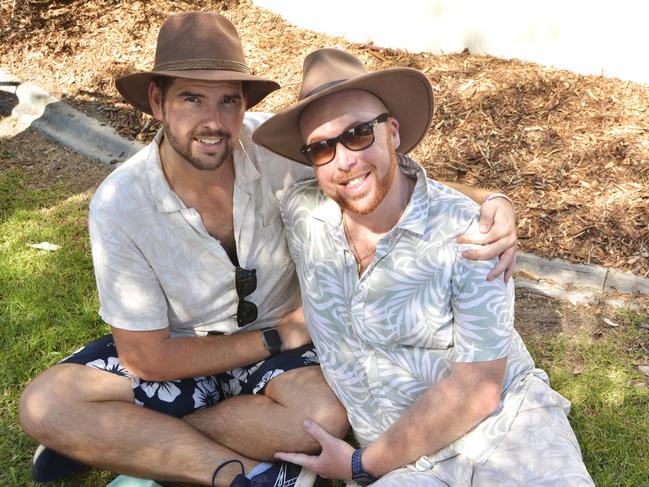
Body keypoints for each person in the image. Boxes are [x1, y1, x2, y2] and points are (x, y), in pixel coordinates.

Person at [18, 14, 517, 487]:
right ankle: (242, 474)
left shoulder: (282, 151)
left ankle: (119, 439)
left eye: (229, 102)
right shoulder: (120, 204)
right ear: (156, 100)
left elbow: (379, 170)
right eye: (192, 99)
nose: (213, 122)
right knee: (43, 406)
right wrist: (278, 337)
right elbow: (146, 358)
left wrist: (492, 200)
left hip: (281, 362)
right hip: (184, 347)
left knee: (323, 418)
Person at [252, 48, 594, 486]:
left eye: (358, 134)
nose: (344, 160)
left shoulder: (471, 233)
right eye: (321, 147)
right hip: (403, 460)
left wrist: (361, 465)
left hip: (505, 428)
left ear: (392, 132)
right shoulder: (303, 212)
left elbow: (479, 389)